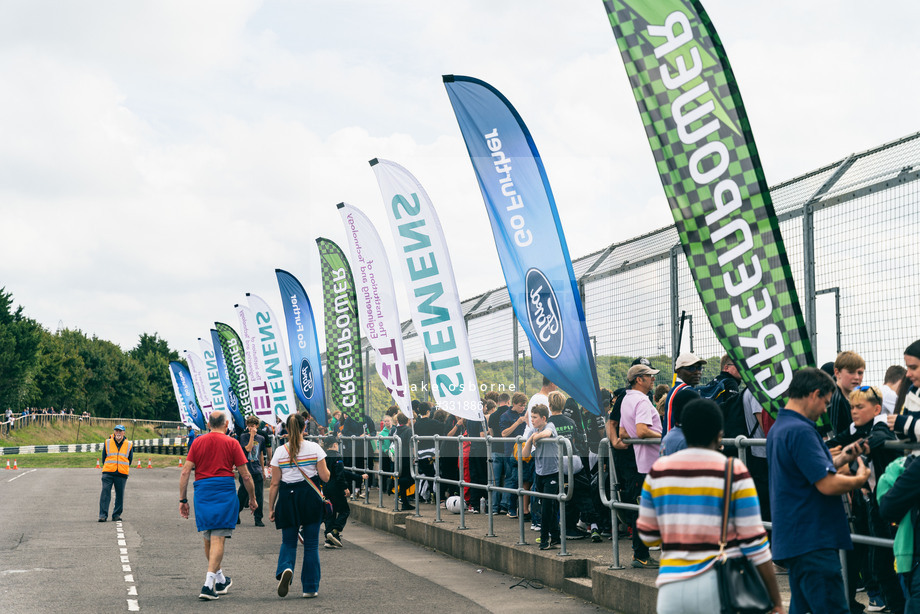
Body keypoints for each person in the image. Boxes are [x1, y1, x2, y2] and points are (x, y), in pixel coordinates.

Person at [638, 398, 784, 614]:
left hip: (671, 590)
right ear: (719, 434)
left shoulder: (659, 470)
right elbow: (756, 545)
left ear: (684, 431)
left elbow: (648, 536)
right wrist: (776, 601)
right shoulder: (733, 471)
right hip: (718, 586)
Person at [767, 367, 871, 614]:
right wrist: (859, 480)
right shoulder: (801, 431)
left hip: (797, 539)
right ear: (814, 394)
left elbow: (808, 470)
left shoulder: (781, 427)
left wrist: (843, 456)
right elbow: (827, 484)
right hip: (813, 540)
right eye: (825, 402)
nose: (826, 409)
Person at [179, 412, 257, 601]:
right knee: (218, 539)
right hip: (224, 490)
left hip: (203, 491)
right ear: (226, 424)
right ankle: (207, 585)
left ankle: (220, 580)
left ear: (208, 423)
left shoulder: (197, 442)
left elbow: (185, 472)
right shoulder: (232, 443)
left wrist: (183, 500)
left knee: (208, 537)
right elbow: (245, 475)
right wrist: (253, 498)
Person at [268, 413, 331, 599]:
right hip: (310, 496)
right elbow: (325, 477)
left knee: (288, 541)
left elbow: (274, 483)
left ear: (286, 429)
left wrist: (271, 508)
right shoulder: (315, 448)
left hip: (288, 497)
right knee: (311, 545)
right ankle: (310, 587)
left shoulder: (280, 451)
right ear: (305, 428)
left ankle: (286, 567)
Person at [618, 363, 663, 568]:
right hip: (653, 462)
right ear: (639, 379)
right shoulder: (643, 401)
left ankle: (641, 554)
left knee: (641, 510)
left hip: (640, 463)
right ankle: (641, 556)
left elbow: (623, 433)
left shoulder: (626, 399)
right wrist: (664, 437)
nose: (653, 379)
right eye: (649, 376)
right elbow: (643, 431)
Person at [522, 404, 560, 551]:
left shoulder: (550, 425)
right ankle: (556, 537)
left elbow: (547, 434)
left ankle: (545, 539)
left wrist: (535, 437)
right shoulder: (532, 431)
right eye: (531, 417)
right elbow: (525, 454)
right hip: (539, 473)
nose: (532, 420)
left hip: (552, 472)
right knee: (545, 506)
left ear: (543, 418)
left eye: (535, 417)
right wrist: (531, 438)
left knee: (547, 507)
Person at [321, 435, 367, 549]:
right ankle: (335, 531)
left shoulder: (323, 457)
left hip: (326, 488)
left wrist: (359, 477)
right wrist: (345, 488)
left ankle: (328, 538)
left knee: (330, 512)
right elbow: (341, 475)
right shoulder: (337, 457)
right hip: (336, 488)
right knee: (344, 510)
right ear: (335, 445)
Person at [499, 392, 529, 519]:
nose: (523, 408)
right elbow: (504, 434)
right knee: (512, 479)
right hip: (510, 451)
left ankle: (521, 508)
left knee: (524, 480)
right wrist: (517, 423)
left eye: (524, 406)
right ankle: (511, 508)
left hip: (524, 451)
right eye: (521, 406)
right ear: (514, 404)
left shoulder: (525, 413)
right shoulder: (505, 416)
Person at [826, 350, 867, 437]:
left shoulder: (852, 397)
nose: (857, 377)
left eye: (860, 373)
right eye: (851, 372)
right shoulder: (834, 397)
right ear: (837, 373)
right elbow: (832, 437)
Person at [236, 415, 267, 527]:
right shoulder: (244, 436)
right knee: (242, 494)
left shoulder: (261, 438)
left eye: (253, 426)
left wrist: (263, 470)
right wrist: (252, 436)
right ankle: (236, 515)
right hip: (246, 470)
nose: (251, 428)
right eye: (249, 426)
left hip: (257, 469)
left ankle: (258, 518)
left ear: (257, 426)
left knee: (259, 495)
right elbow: (248, 449)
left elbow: (261, 454)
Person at [99, 424, 133, 522]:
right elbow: (103, 457)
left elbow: (130, 459)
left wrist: (122, 467)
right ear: (114, 432)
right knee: (105, 492)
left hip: (122, 473)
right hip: (108, 472)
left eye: (120, 431)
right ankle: (103, 515)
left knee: (120, 494)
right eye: (116, 431)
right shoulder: (107, 442)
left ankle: (116, 514)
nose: (118, 433)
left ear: (124, 433)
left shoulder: (129, 444)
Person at [663, 353, 704, 432]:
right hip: (680, 442)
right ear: (678, 371)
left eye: (699, 368)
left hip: (670, 441)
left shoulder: (676, 389)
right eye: (691, 368)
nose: (697, 372)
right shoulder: (687, 392)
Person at [488, 393, 511, 514]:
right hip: (508, 449)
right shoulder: (510, 414)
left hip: (495, 449)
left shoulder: (492, 416)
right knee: (508, 478)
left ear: (498, 402)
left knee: (494, 480)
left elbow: (491, 434)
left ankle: (493, 508)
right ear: (508, 402)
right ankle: (504, 505)